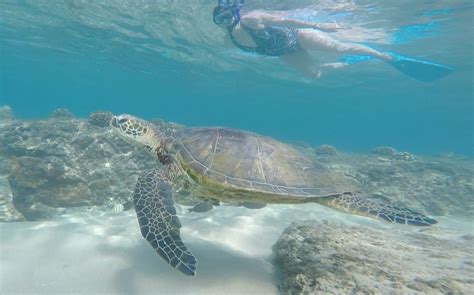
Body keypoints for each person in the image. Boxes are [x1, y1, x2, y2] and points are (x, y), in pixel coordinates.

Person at [212, 0, 452, 81]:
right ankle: (349, 62)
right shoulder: (229, 40)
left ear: (234, 13)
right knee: (314, 75)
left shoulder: (253, 18)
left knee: (339, 46)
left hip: (299, 37)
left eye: (224, 16)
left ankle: (386, 56)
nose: (222, 22)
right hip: (284, 52)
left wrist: (320, 25)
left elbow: (287, 21)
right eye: (218, 19)